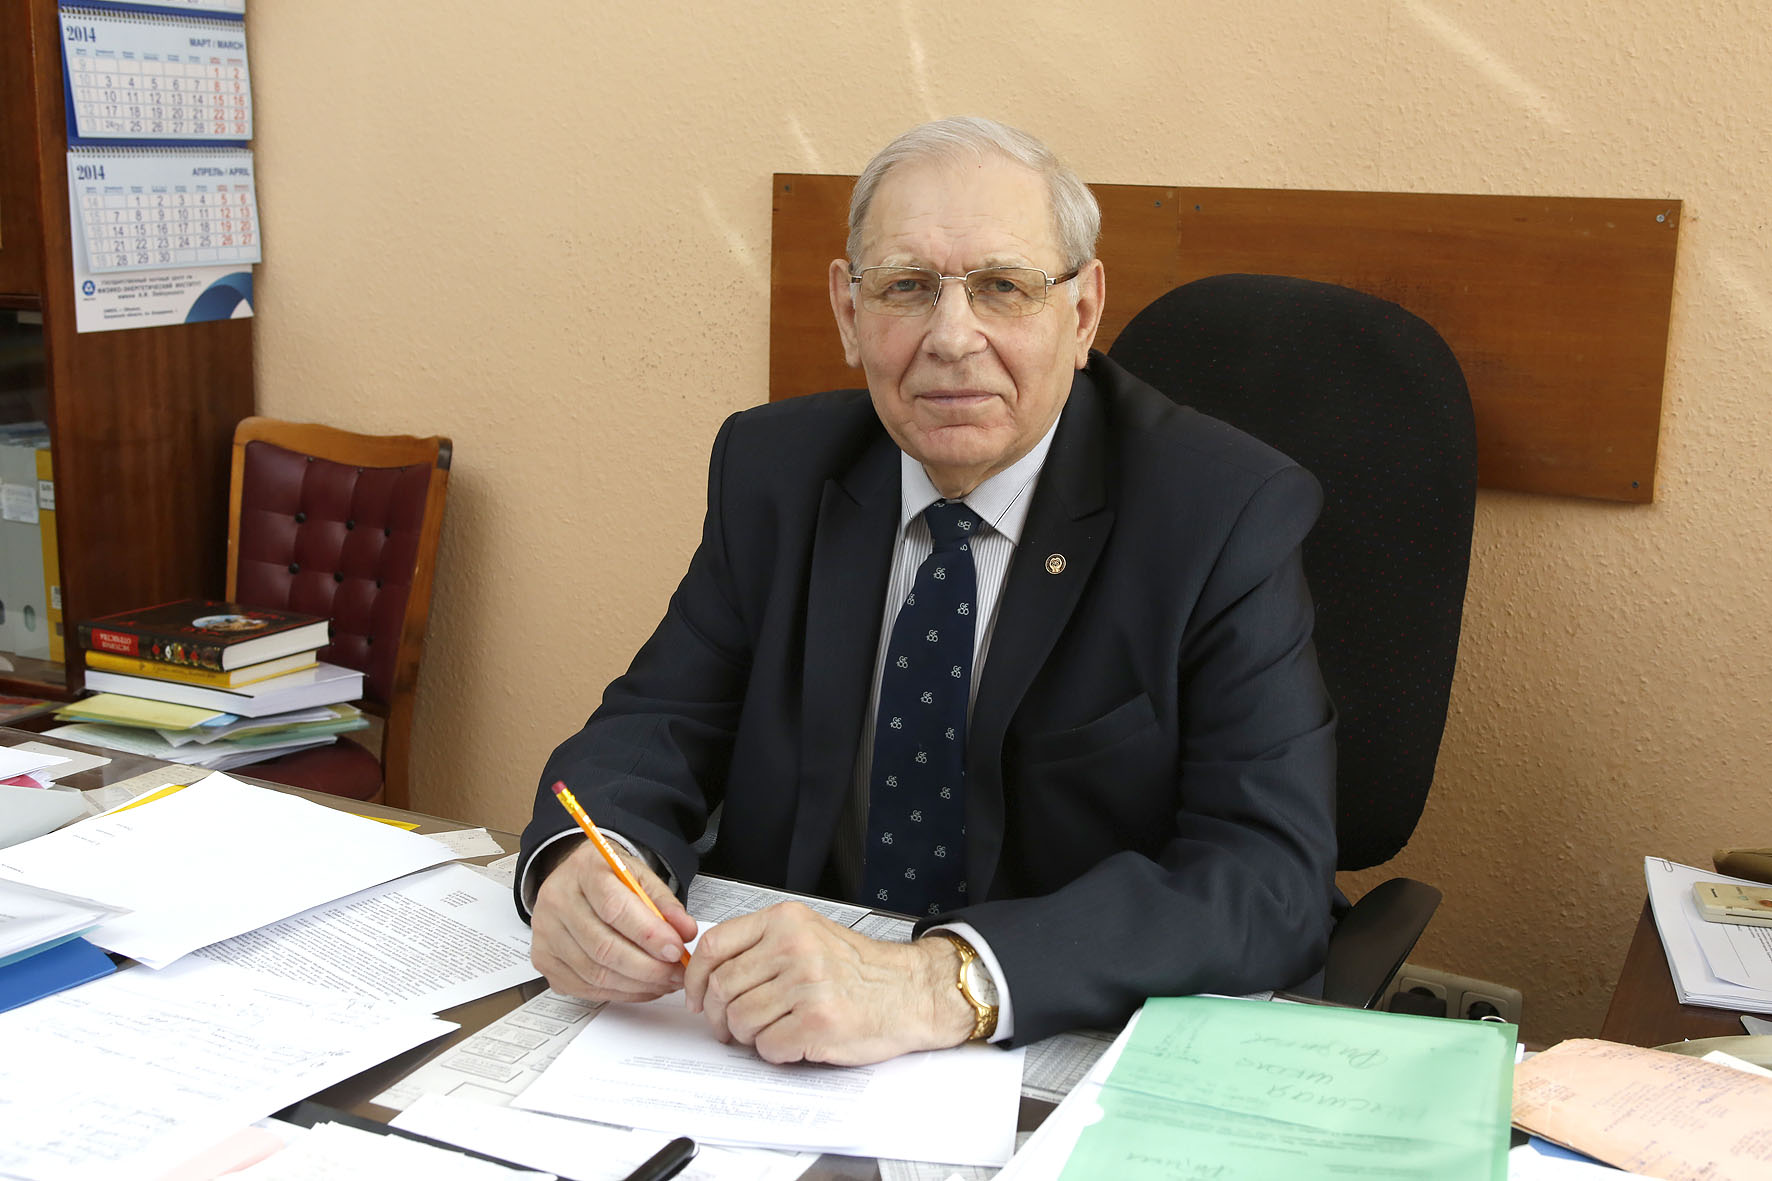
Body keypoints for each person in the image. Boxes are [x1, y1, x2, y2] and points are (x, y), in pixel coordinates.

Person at [516, 116, 1338, 1066]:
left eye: (1005, 287)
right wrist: (589, 859)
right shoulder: (774, 470)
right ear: (848, 310)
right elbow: (657, 718)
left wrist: (941, 981)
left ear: (1081, 313)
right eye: (907, 287)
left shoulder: (1221, 509)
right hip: (766, 1041)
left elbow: (1268, 875)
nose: (953, 338)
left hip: (1052, 1043)